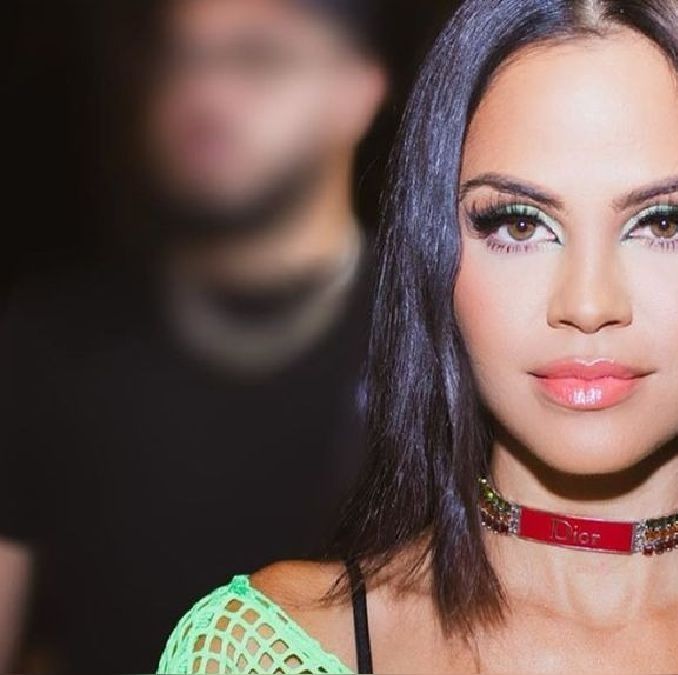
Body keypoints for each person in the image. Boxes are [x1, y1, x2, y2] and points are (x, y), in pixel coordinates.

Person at [157, 0, 678, 672]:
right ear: (432, 253)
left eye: (664, 221)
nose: (588, 302)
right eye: (518, 223)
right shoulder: (262, 655)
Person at [0, 0, 389, 671]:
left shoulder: (435, 336)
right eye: (179, 58)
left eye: (258, 58)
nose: (204, 92)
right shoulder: (49, 344)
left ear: (358, 89)